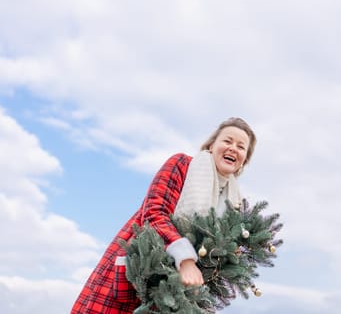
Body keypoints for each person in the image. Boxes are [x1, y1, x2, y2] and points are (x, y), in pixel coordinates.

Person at [71, 117, 257, 313]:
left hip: (178, 296)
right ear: (212, 145)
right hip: (140, 270)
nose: (233, 148)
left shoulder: (233, 201)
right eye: (227, 141)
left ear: (244, 159)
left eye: (241, 147)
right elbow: (154, 212)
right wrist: (185, 259)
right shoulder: (183, 165)